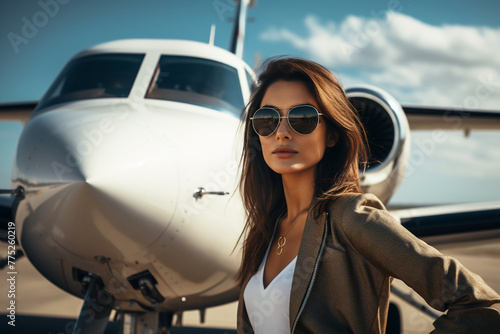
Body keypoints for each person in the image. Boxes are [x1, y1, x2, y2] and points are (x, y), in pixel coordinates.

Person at [236, 57, 500, 333]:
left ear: (332, 135)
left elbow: (480, 306)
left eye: (303, 118)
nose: (281, 133)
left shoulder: (353, 218)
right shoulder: (263, 230)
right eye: (267, 119)